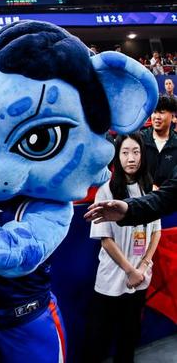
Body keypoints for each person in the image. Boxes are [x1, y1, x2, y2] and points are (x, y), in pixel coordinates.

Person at [84, 133, 161, 363]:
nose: (131, 158)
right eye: (125, 152)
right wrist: (130, 271)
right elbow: (105, 239)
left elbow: (156, 231)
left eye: (136, 152)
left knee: (129, 336)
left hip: (140, 277)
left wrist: (143, 267)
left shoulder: (151, 190)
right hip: (111, 279)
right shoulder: (106, 191)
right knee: (99, 338)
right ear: (117, 156)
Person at [140, 96, 177, 188]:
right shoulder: (140, 140)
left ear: (173, 116)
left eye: (161, 112)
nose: (157, 117)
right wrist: (148, 186)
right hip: (141, 194)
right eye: (154, 112)